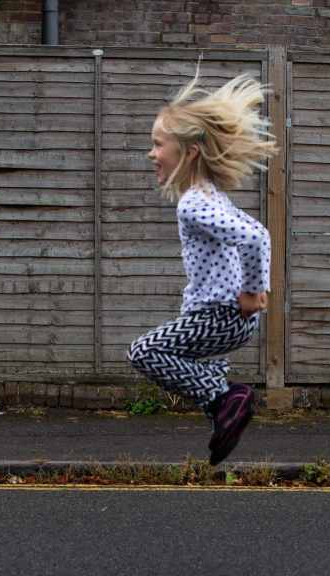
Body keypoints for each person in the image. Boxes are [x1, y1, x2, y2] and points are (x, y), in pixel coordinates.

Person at [128, 71, 277, 465]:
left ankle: (226, 398)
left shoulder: (194, 202)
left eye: (158, 144)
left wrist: (253, 291)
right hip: (222, 318)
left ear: (189, 152)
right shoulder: (211, 195)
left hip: (222, 315)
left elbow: (257, 236)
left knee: (143, 351)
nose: (151, 153)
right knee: (186, 360)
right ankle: (223, 411)